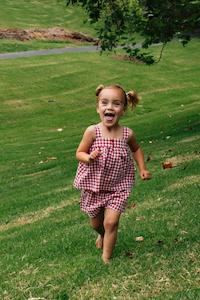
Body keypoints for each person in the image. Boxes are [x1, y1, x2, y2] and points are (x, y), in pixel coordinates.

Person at [74, 84, 151, 263]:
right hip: (95, 186)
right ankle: (102, 235)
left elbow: (137, 150)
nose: (110, 107)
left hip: (118, 186)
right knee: (97, 224)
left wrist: (143, 169)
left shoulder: (127, 134)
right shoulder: (92, 131)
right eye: (105, 103)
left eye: (116, 104)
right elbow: (79, 153)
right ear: (98, 107)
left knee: (111, 223)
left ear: (123, 110)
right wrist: (88, 158)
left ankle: (106, 259)